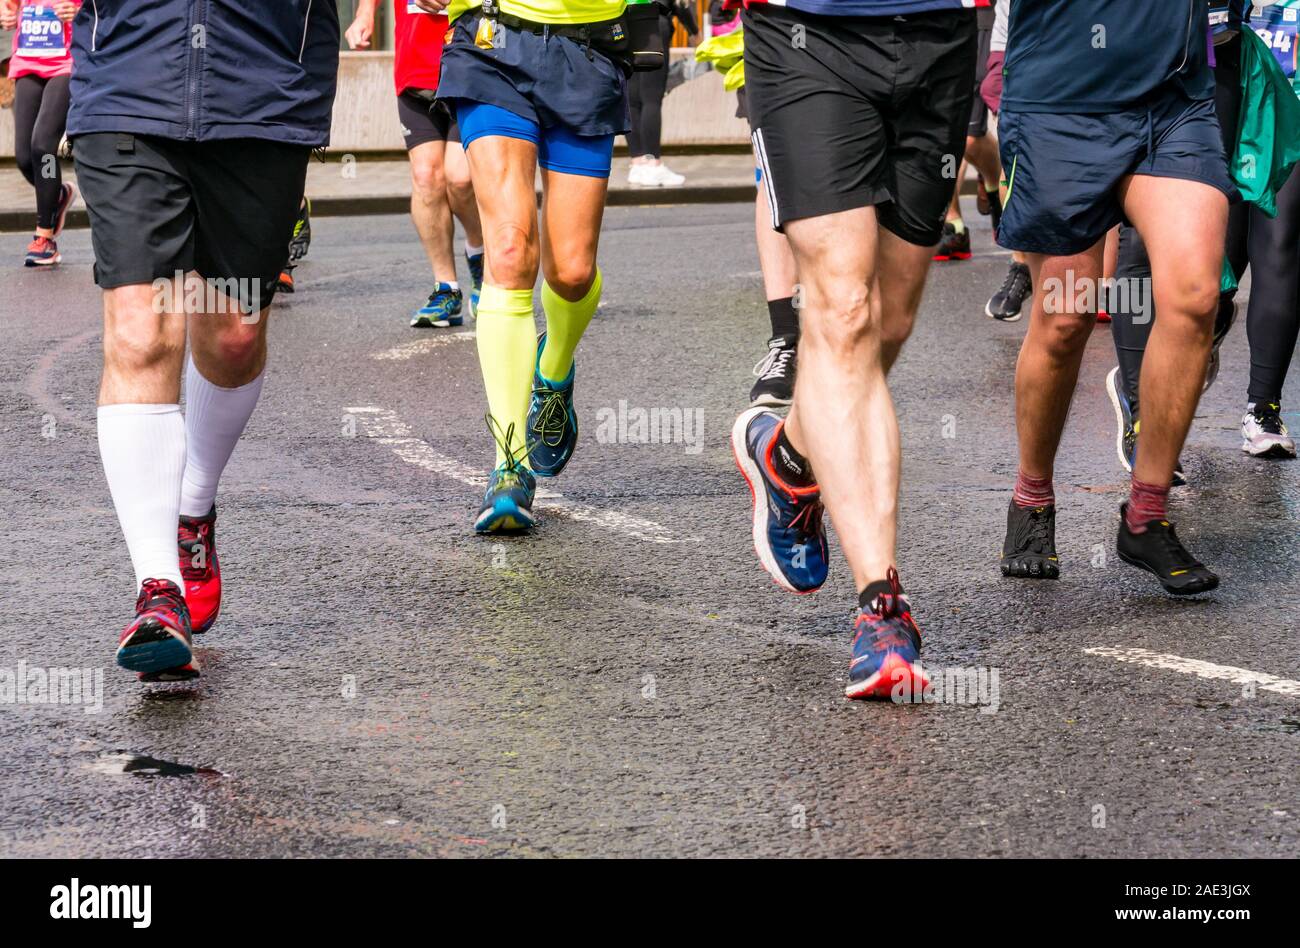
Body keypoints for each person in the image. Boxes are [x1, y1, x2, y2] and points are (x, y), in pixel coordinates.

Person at [71, 0, 339, 680]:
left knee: (236, 335)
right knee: (139, 335)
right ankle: (158, 591)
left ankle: (194, 504)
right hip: (131, 75)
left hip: (262, 86)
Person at [731, 0, 977, 700]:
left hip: (939, 32)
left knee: (888, 323)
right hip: (805, 32)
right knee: (844, 309)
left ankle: (786, 460)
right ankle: (882, 609)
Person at [996, 0, 1232, 596]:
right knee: (1067, 317)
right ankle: (1031, 496)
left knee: (1196, 295)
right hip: (1062, 105)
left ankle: (1146, 515)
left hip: (1174, 102)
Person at [422, 0, 631, 532]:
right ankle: (508, 465)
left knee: (572, 271)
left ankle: (553, 370)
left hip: (587, 45)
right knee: (510, 250)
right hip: (490, 39)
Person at [1108, 2, 1299, 464]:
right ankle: (1140, 408)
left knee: (1277, 244)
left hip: (1233, 62)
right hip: (1142, 66)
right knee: (1149, 245)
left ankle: (1262, 405)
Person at [347, 0, 485, 327]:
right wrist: (365, 14)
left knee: (460, 178)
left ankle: (480, 256)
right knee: (425, 177)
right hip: (415, 68)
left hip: (470, 63)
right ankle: (446, 289)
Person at [1, 0, 78, 266]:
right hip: (27, 63)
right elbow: (9, 5)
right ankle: (56, 195)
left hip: (66, 64)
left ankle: (44, 238)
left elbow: (105, 10)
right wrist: (6, 12)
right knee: (24, 156)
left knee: (42, 146)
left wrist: (80, 13)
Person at [933, 0, 998, 264]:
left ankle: (996, 189)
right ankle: (953, 226)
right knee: (942, 130)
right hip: (928, 19)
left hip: (979, 15)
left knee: (968, 137)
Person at [626, 1, 696, 188]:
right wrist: (693, 30)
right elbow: (681, 3)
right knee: (652, 98)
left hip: (627, 23)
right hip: (654, 24)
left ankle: (638, 162)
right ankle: (653, 163)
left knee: (632, 99)